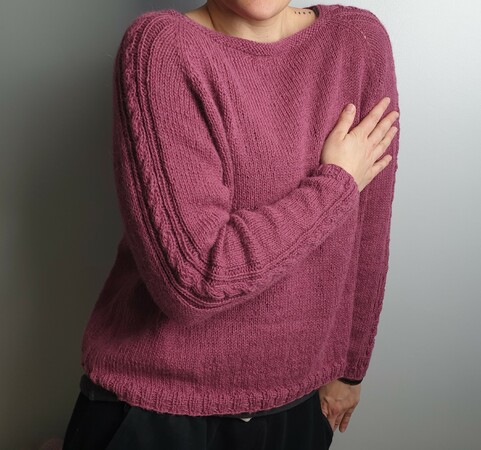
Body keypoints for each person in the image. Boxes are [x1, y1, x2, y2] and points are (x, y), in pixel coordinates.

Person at [62, 1, 400, 449]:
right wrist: (336, 184)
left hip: (297, 404)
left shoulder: (358, 43)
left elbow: (370, 223)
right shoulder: (162, 49)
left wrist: (351, 367)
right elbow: (196, 279)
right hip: (156, 408)